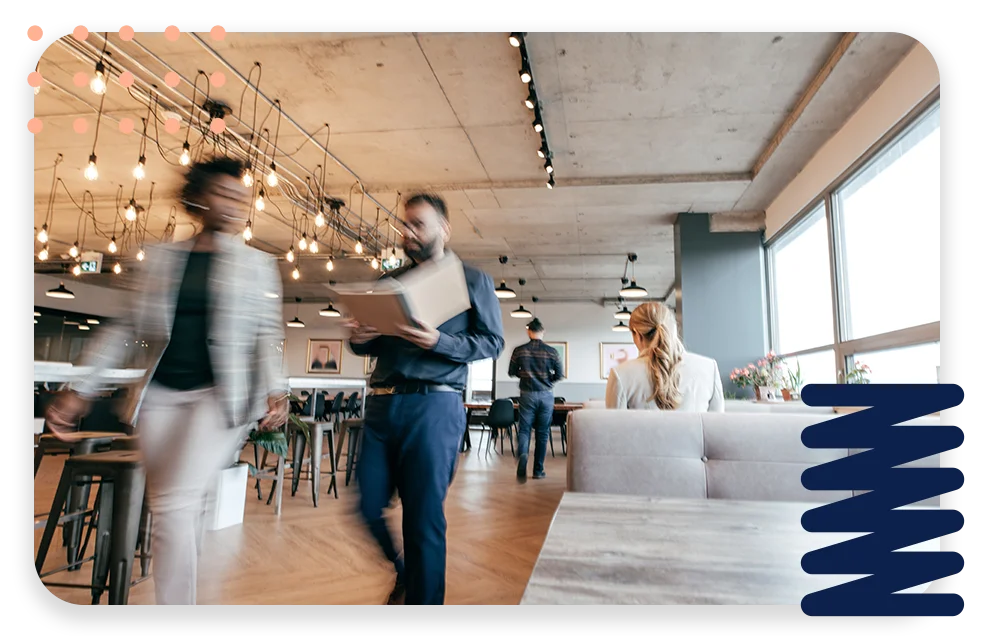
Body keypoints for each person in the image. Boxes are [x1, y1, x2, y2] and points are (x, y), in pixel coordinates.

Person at [45, 156, 289, 605]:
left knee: (174, 506)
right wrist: (81, 389)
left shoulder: (256, 265)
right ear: (199, 200)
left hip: (220, 399)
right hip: (158, 397)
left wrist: (278, 388)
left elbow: (267, 334)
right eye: (225, 194)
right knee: (172, 508)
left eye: (242, 197)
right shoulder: (162, 259)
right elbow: (124, 328)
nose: (237, 205)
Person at [345, 192, 504, 605]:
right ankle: (405, 571)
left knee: (423, 520)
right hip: (381, 405)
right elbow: (368, 347)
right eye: (404, 223)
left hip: (434, 407)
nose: (407, 231)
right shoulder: (388, 281)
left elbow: (491, 342)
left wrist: (439, 341)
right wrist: (359, 338)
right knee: (365, 506)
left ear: (444, 230)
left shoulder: (472, 280)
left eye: (418, 224)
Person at [605, 302, 724, 412]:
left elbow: (613, 430)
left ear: (637, 334)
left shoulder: (620, 374)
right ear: (672, 328)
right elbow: (717, 426)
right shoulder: (709, 368)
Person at [507, 317, 564, 482]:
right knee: (542, 433)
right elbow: (559, 375)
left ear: (528, 331)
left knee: (524, 429)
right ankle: (538, 470)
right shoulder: (552, 352)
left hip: (527, 394)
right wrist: (547, 381)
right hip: (546, 395)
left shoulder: (519, 350)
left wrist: (524, 374)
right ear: (543, 332)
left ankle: (523, 454)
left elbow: (511, 372)